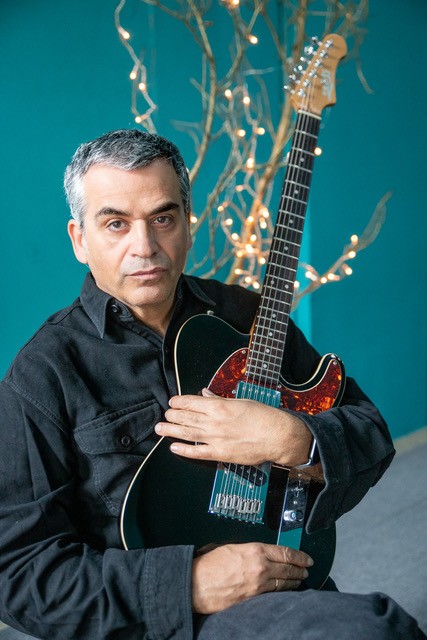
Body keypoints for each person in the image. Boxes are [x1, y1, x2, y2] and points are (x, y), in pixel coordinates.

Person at [0, 129, 424, 640]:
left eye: (163, 218)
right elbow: (17, 574)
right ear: (79, 240)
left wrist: (293, 439)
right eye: (116, 224)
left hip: (285, 584)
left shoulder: (246, 315)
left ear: (187, 224)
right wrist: (190, 582)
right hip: (150, 621)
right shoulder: (43, 373)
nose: (145, 246)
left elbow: (370, 433)